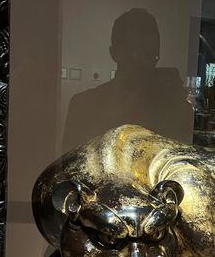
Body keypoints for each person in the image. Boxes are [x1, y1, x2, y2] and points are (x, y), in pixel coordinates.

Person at [62, 8, 193, 153]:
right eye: (134, 53)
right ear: (114, 53)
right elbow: (68, 170)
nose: (142, 63)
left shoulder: (174, 109)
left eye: (150, 55)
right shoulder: (84, 106)